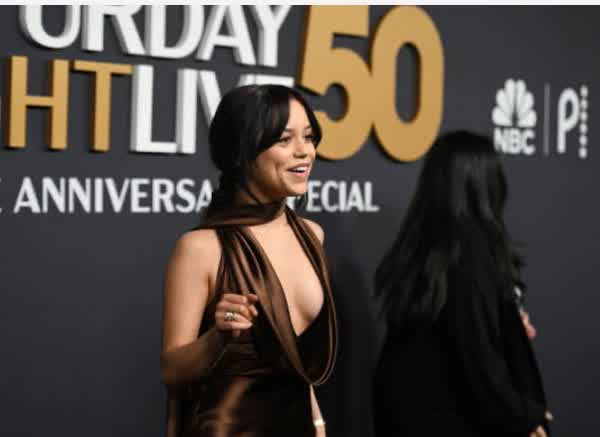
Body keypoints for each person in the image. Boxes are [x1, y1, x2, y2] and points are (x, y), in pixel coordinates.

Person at [159, 85, 338, 437]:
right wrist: (217, 338)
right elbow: (171, 370)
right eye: (284, 139)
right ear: (243, 152)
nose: (304, 151)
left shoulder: (312, 235)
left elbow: (296, 359)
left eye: (308, 137)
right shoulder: (201, 248)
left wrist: (317, 423)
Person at [373, 131, 551, 437]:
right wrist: (522, 415)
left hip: (406, 413)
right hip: (446, 417)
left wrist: (503, 321)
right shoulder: (470, 250)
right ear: (484, 183)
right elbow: (478, 350)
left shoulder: (426, 246)